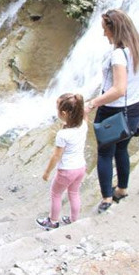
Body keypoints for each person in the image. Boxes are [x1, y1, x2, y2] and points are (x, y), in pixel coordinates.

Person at [85, 9, 139, 212]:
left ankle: (107, 198)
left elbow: (119, 89)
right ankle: (121, 189)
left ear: (114, 29)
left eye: (105, 29)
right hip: (135, 110)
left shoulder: (118, 55)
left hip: (113, 112)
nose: (104, 34)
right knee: (122, 149)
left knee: (104, 154)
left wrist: (93, 103)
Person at [36, 93, 88, 230]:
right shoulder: (84, 124)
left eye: (57, 108)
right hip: (81, 168)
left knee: (56, 194)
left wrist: (47, 172)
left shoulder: (63, 135)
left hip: (66, 171)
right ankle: (74, 219)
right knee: (74, 193)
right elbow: (83, 112)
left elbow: (56, 156)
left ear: (64, 113)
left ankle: (53, 221)